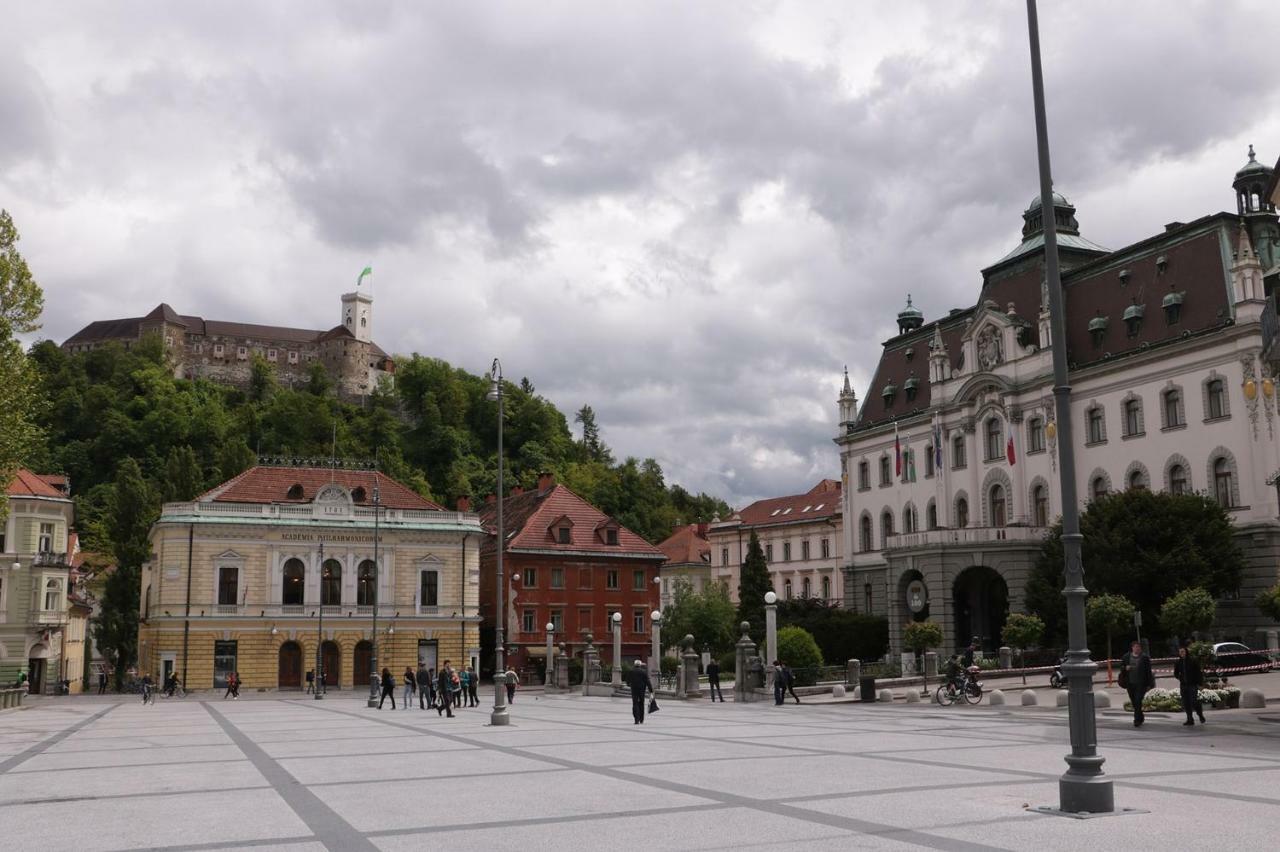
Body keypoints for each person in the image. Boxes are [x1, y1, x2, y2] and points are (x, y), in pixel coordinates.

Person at [1121, 640, 1155, 727]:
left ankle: (1136, 720)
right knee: (1134, 701)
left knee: (1138, 701)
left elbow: (1148, 671)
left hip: (1141, 684)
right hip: (1130, 683)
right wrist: (1125, 668)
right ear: (1132, 648)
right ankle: (1140, 716)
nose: (1137, 649)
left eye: (1138, 647)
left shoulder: (1144, 658)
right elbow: (1121, 667)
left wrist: (1150, 684)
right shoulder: (1126, 657)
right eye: (1135, 647)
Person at [1173, 644, 1206, 726]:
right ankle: (1189, 719)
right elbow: (1176, 673)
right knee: (1186, 703)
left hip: (1192, 685)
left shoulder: (1192, 661)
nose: (1181, 653)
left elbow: (1199, 673)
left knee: (1194, 701)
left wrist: (1200, 683)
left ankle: (1200, 714)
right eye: (1180, 652)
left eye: (1183, 651)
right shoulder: (1178, 662)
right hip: (1183, 685)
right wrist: (1180, 677)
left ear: (1186, 652)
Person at [625, 659, 654, 724]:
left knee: (635, 704)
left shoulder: (631, 671)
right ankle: (641, 719)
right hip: (642, 690)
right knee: (641, 704)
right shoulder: (643, 672)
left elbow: (627, 682)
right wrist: (651, 690)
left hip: (634, 690)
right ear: (640, 665)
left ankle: (636, 719)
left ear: (634, 665)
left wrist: (630, 685)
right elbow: (647, 681)